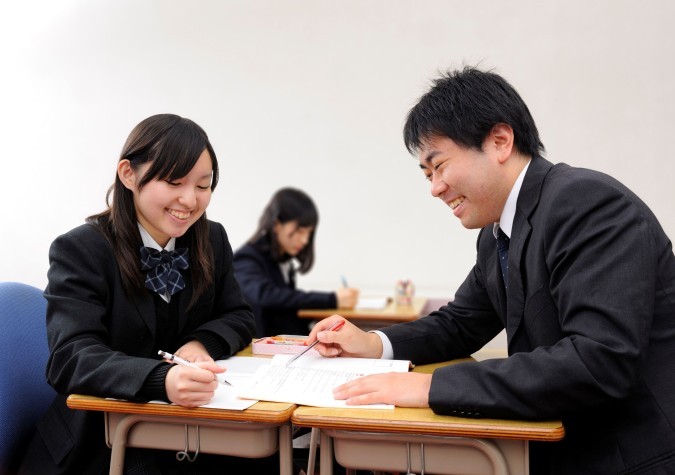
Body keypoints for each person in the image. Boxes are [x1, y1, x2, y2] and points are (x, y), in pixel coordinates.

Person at [307, 67, 675, 474]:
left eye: (440, 165)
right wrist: (375, 345)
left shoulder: (587, 203)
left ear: (500, 141)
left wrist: (430, 388)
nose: (435, 188)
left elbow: (598, 360)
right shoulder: (497, 231)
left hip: (633, 455)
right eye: (427, 174)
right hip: (558, 444)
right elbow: (461, 323)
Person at [19, 114, 278, 474]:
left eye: (203, 186)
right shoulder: (81, 249)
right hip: (99, 440)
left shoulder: (211, 238)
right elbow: (71, 357)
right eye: (174, 181)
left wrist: (200, 344)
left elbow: (238, 315)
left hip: (188, 431)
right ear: (128, 174)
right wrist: (161, 379)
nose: (189, 200)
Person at [233, 187, 359, 338]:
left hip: (284, 345)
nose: (305, 240)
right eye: (300, 231)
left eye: (308, 234)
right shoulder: (248, 257)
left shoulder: (284, 260)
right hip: (261, 350)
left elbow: (286, 307)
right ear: (277, 224)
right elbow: (265, 295)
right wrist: (332, 299)